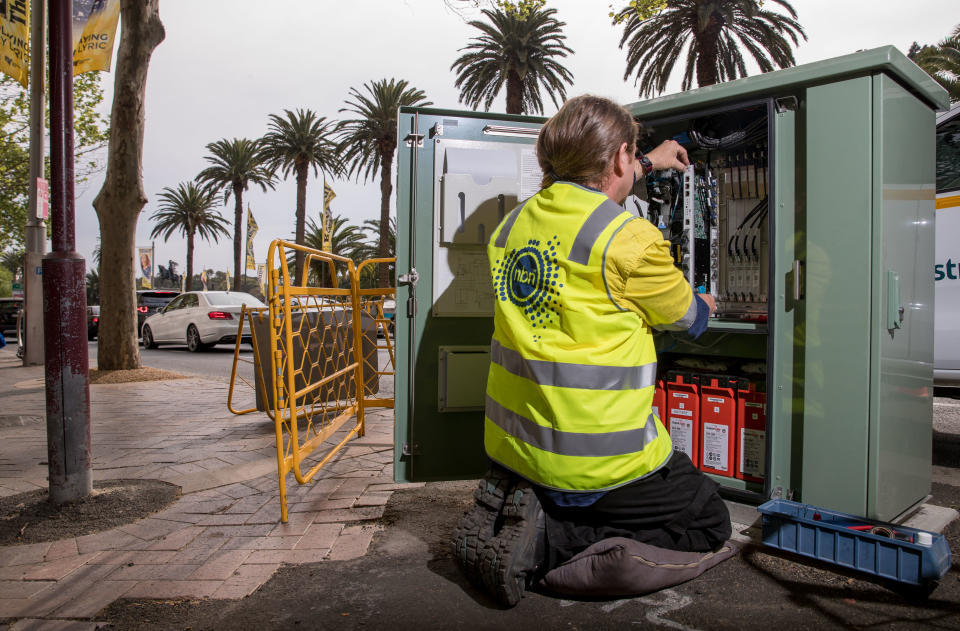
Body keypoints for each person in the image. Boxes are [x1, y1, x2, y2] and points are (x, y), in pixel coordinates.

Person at [453, 95, 731, 607]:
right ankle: (549, 542)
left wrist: (648, 162)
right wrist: (705, 300)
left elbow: (583, 198)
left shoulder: (510, 227)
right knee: (709, 520)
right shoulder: (630, 239)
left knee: (593, 497)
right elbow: (687, 319)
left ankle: (535, 506)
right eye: (634, 155)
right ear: (620, 157)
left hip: (518, 446)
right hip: (597, 461)